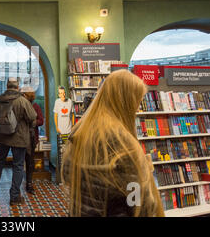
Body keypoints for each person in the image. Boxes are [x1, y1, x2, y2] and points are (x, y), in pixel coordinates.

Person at [61, 70, 164, 217]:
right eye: (137, 101)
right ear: (127, 101)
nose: (137, 108)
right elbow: (139, 205)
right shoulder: (124, 143)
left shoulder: (80, 132)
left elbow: (67, 173)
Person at [0, 78, 37, 205]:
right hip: (19, 137)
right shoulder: (22, 101)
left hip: (2, 136)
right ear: (17, 88)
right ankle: (14, 196)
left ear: (7, 86)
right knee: (18, 166)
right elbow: (33, 117)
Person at [20, 86, 44, 195]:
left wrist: (32, 123)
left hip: (32, 137)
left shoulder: (35, 106)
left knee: (30, 162)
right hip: (21, 137)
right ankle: (19, 184)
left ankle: (29, 183)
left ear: (26, 95)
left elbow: (41, 120)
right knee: (20, 162)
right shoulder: (20, 106)